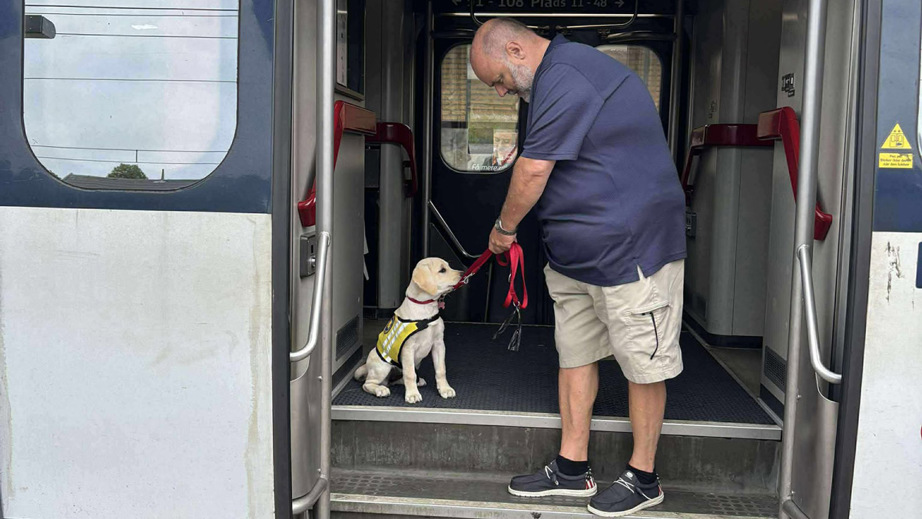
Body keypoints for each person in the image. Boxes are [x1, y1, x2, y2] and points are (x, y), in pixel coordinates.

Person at [469, 18, 687, 517]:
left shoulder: (570, 73)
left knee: (644, 362)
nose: (500, 92)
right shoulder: (550, 80)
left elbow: (533, 168)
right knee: (575, 354)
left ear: (516, 50)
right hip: (575, 255)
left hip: (631, 248)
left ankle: (644, 478)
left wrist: (503, 229)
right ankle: (572, 468)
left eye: (498, 80)